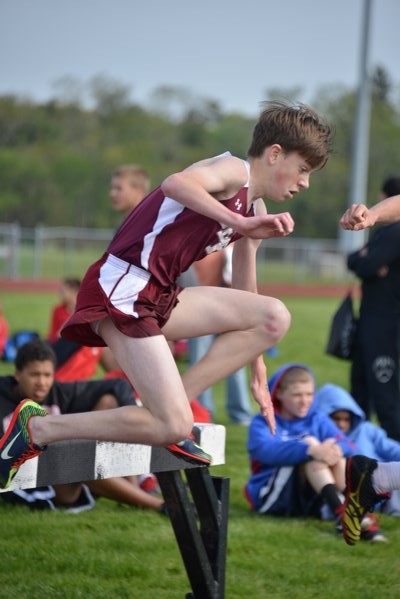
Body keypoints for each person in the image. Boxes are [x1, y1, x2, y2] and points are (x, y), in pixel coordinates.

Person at [0, 100, 334, 490]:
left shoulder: (255, 206)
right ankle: (39, 427)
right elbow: (176, 183)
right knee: (170, 423)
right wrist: (239, 221)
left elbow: (248, 296)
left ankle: (178, 410)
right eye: (304, 169)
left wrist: (257, 372)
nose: (305, 182)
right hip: (124, 285)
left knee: (274, 315)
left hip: (160, 292)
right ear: (275, 154)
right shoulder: (232, 172)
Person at [0, 339, 166, 514]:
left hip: (62, 472)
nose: (42, 382)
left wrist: (136, 442)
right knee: (76, 459)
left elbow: (118, 386)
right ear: (18, 374)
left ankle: (133, 483)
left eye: (47, 375)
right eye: (34, 375)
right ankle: (159, 506)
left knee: (108, 402)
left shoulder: (56, 392)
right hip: (27, 483)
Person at [244, 364, 354, 533]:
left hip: (310, 493)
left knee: (336, 453)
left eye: (309, 394)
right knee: (311, 446)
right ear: (279, 394)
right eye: (297, 395)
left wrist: (336, 449)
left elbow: (348, 444)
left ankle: (349, 511)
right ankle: (344, 513)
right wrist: (309, 450)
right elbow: (264, 451)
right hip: (271, 497)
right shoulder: (263, 421)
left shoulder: (317, 417)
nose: (305, 401)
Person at [346, 177, 400, 440]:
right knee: (361, 384)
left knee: (385, 390)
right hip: (372, 319)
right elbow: (355, 260)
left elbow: (364, 264)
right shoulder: (386, 231)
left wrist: (367, 260)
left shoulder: (394, 233)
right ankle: (360, 445)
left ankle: (394, 449)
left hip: (386, 323)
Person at [187, 247, 254, 424]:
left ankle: (207, 412)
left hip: (207, 308)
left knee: (204, 362)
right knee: (231, 363)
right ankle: (233, 413)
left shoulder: (199, 247)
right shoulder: (227, 247)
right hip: (217, 308)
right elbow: (236, 281)